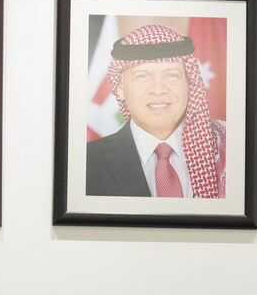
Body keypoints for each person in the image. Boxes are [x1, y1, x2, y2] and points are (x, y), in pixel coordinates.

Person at [86, 23, 226, 198]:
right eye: (142, 76)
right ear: (120, 88)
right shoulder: (87, 163)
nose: (158, 90)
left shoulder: (227, 151)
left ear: (189, 84)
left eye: (171, 75)